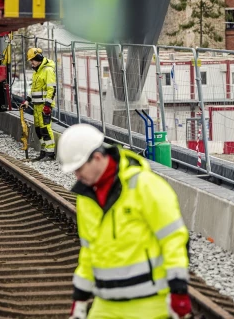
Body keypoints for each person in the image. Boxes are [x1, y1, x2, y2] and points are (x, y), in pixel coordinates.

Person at [59, 124, 192, 319]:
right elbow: (89, 252)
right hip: (106, 304)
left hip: (149, 303)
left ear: (97, 158)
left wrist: (178, 291)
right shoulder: (85, 198)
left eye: (79, 169)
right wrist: (79, 298)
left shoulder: (145, 186)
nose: (76, 176)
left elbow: (174, 240)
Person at [20, 47, 57, 160]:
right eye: (31, 60)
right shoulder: (37, 72)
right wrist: (27, 100)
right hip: (36, 106)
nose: (31, 62)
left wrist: (47, 105)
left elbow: (52, 89)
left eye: (33, 60)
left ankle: (50, 154)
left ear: (39, 58)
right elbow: (34, 90)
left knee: (45, 128)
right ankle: (43, 152)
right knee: (39, 130)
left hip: (43, 107)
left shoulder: (47, 70)